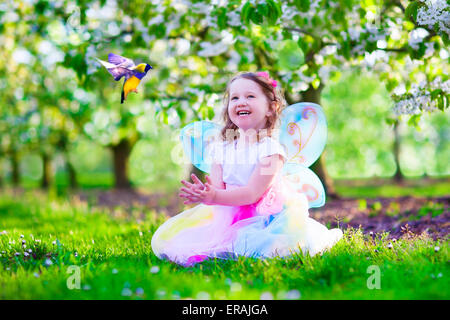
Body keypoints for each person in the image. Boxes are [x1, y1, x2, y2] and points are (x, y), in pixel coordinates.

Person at [151, 71, 343, 266]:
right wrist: (206, 194)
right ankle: (218, 245)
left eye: (250, 96)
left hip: (263, 218)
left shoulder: (271, 151)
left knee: (262, 245)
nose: (240, 102)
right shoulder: (221, 149)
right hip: (227, 216)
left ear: (271, 107)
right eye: (234, 98)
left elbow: (252, 194)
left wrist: (214, 196)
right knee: (180, 239)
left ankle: (235, 245)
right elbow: (217, 190)